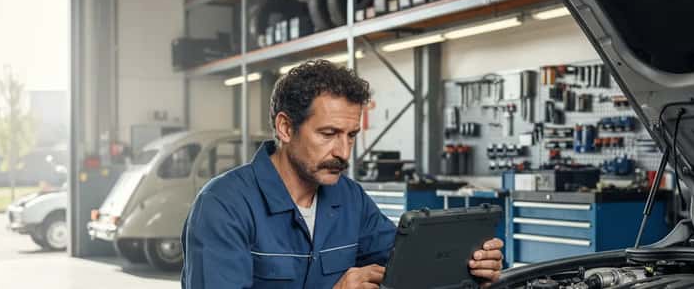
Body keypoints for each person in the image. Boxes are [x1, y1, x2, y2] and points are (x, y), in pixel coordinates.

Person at [182, 60, 504, 288]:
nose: (344, 152)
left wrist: (469, 268)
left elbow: (408, 267)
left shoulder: (349, 199)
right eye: (328, 133)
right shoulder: (223, 206)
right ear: (285, 127)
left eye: (350, 135)